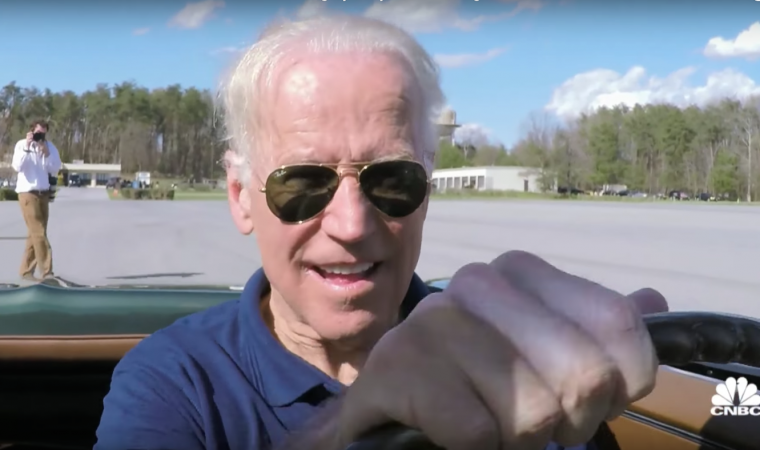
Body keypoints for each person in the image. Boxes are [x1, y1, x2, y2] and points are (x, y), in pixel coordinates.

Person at [95, 15, 668, 450]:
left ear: (427, 188)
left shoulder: (522, 362)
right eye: (302, 184)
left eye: (393, 180)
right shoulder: (176, 383)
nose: (352, 224)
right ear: (241, 197)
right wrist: (351, 427)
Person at [11, 120, 61, 281]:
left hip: (43, 193)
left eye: (43, 133)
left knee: (36, 234)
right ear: (31, 131)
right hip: (27, 194)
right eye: (38, 132)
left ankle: (25, 271)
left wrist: (46, 153)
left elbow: (55, 168)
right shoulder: (21, 145)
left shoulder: (49, 147)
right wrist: (27, 146)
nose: (40, 136)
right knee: (39, 232)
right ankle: (47, 272)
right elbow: (17, 166)